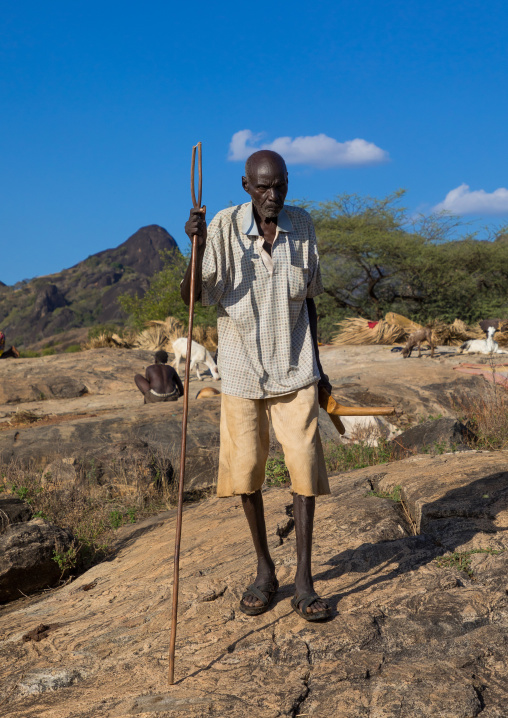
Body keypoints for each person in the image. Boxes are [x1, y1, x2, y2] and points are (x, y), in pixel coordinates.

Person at [181, 149, 332, 621]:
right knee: (246, 470)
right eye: (263, 187)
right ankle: (266, 571)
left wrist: (321, 369)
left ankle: (304, 581)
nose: (273, 196)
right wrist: (197, 246)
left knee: (304, 465)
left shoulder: (302, 225)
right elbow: (193, 297)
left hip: (295, 369)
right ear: (246, 186)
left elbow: (308, 300)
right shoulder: (223, 227)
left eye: (280, 185)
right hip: (243, 374)